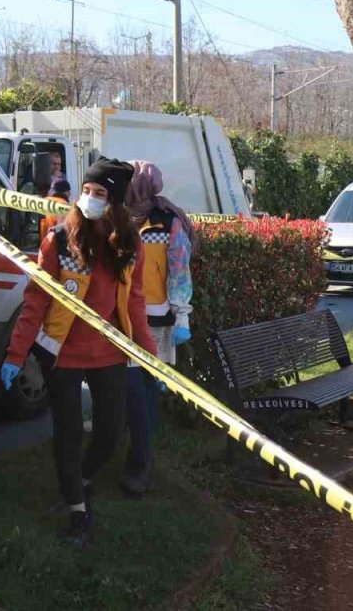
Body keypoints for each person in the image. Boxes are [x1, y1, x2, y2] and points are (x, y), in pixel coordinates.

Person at [0, 158, 158, 546]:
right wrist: (15, 355)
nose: (88, 198)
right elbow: (36, 299)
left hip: (109, 354)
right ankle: (76, 511)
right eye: (86, 191)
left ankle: (81, 480)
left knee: (109, 432)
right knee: (67, 433)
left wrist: (153, 361)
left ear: (116, 202)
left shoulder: (129, 245)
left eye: (99, 194)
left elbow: (134, 303)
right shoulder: (58, 240)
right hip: (62, 355)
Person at [122, 160, 195, 492]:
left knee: (145, 394)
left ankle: (140, 463)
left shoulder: (167, 222)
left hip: (157, 323)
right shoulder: (118, 219)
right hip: (120, 320)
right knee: (131, 391)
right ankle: (136, 455)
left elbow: (179, 270)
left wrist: (182, 316)